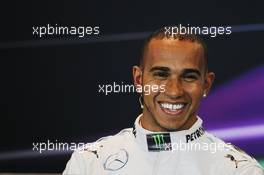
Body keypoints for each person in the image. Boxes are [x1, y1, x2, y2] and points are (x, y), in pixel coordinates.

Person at [63, 27, 264, 175]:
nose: (174, 91)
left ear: (206, 84)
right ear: (139, 79)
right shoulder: (89, 163)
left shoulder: (239, 170)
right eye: (160, 74)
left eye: (189, 76)